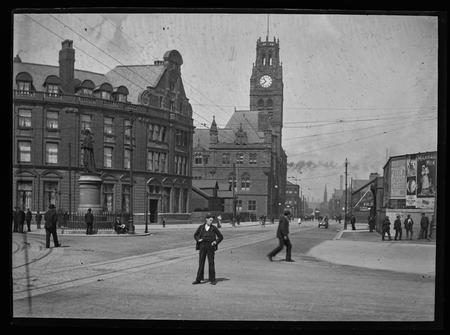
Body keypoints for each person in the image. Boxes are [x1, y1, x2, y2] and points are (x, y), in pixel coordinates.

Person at [192, 214, 223, 285]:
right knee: (201, 263)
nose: (211, 222)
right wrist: (198, 240)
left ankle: (212, 280)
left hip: (210, 247)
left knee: (211, 263)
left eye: (212, 220)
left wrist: (215, 242)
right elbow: (195, 235)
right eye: (210, 220)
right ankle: (198, 279)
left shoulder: (214, 228)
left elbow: (221, 237)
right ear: (206, 219)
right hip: (202, 246)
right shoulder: (201, 227)